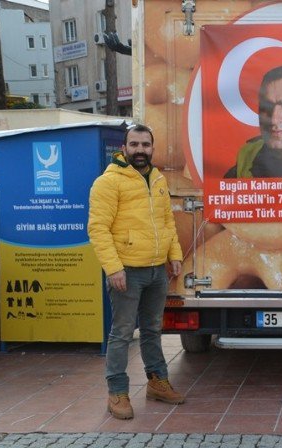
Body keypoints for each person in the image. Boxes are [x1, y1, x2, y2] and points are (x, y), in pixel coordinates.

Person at [88, 124, 185, 420]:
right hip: (127, 272)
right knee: (121, 333)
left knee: (153, 329)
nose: (140, 150)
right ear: (124, 147)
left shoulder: (157, 179)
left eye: (145, 145)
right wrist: (114, 268)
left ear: (152, 148)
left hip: (156, 270)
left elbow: (167, 220)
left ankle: (157, 382)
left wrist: (175, 254)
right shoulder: (108, 182)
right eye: (135, 144)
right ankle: (117, 392)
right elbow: (98, 228)